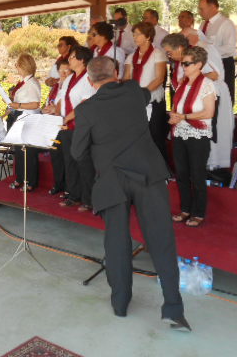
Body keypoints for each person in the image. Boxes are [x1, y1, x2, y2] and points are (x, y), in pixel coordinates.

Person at [71, 56, 190, 331]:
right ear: (116, 72)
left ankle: (121, 303)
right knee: (161, 240)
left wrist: (99, 155)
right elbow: (143, 90)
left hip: (112, 179)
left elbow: (77, 153)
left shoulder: (86, 109)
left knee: (117, 241)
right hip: (148, 174)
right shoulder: (135, 92)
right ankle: (173, 308)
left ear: (89, 80)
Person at [162, 32, 233, 170]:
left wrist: (191, 80)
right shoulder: (181, 60)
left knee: (211, 131)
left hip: (208, 95)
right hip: (193, 97)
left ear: (179, 48)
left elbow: (214, 74)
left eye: (170, 53)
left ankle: (210, 166)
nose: (169, 56)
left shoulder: (196, 55)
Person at [169, 46, 217, 228]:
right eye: (182, 63)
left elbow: (209, 112)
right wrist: (175, 116)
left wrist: (184, 117)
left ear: (199, 64)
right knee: (182, 174)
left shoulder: (207, 84)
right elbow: (177, 106)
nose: (183, 66)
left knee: (197, 174)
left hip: (198, 134)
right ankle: (185, 209)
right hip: (180, 131)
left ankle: (198, 212)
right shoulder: (183, 83)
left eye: (187, 63)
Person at [56, 46, 96, 211]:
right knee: (70, 161)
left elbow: (86, 103)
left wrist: (68, 117)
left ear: (82, 60)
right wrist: (56, 111)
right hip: (66, 126)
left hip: (81, 126)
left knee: (84, 163)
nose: (69, 59)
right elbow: (63, 99)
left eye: (72, 57)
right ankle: (73, 195)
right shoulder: (70, 77)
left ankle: (89, 199)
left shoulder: (88, 77)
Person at [123, 22, 168, 160]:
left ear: (148, 36)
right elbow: (126, 78)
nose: (134, 37)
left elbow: (159, 79)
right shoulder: (131, 56)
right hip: (135, 101)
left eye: (138, 34)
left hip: (153, 100)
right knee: (137, 136)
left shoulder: (158, 54)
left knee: (155, 136)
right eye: (133, 34)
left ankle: (161, 168)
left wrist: (143, 94)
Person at [8, 53, 42, 191]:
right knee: (19, 151)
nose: (16, 67)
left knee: (28, 152)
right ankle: (20, 178)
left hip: (29, 118)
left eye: (17, 64)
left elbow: (35, 104)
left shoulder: (32, 83)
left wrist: (19, 105)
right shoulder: (24, 82)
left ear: (24, 66)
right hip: (20, 116)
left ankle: (30, 181)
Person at [198, 0, 237, 103]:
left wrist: (209, 51)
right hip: (207, 65)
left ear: (212, 7)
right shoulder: (203, 24)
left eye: (202, 9)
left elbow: (230, 48)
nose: (199, 12)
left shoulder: (226, 23)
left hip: (223, 64)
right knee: (209, 97)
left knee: (223, 99)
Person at [43, 59, 72, 196]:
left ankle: (68, 187)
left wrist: (56, 109)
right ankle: (58, 184)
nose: (63, 73)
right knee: (56, 156)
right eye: (61, 70)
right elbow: (49, 103)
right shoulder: (56, 86)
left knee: (67, 157)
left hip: (66, 125)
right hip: (53, 125)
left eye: (66, 70)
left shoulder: (71, 86)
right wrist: (47, 109)